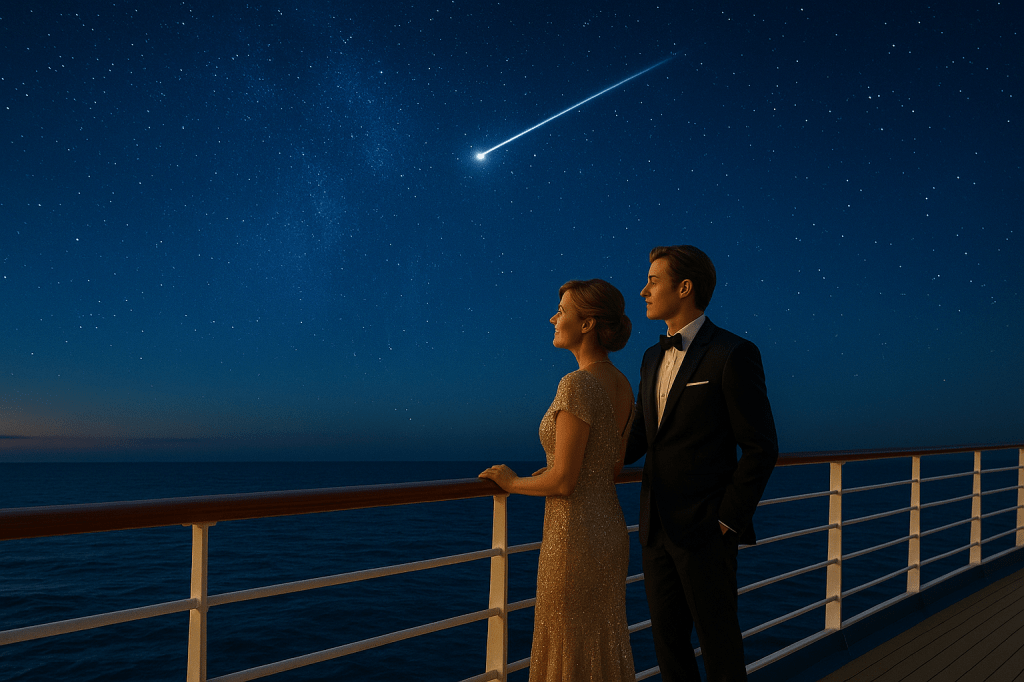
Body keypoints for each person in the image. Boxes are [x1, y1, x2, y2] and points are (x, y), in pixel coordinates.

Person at [624, 245, 778, 682]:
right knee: (669, 646)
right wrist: (575, 464)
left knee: (719, 646)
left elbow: (762, 447)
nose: (643, 290)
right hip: (655, 528)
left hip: (707, 531)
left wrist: (727, 521)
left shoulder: (732, 353)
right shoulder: (651, 358)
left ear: (684, 287)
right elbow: (639, 438)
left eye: (653, 281)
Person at [479, 278, 636, 681]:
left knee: (567, 642)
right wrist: (553, 470)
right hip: (609, 531)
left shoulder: (577, 383)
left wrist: (511, 482)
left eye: (562, 311)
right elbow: (610, 465)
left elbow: (566, 482)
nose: (553, 317)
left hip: (574, 536)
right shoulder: (621, 384)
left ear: (587, 324)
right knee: (600, 641)